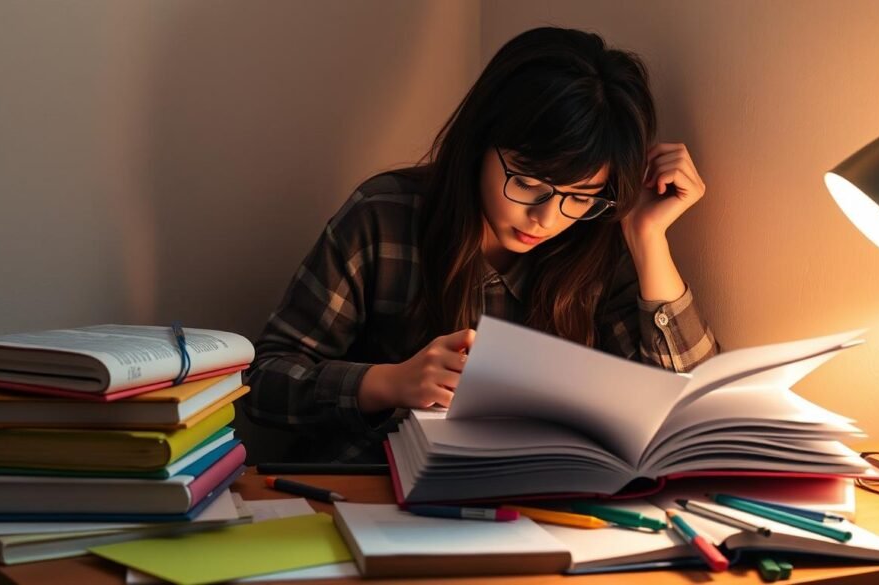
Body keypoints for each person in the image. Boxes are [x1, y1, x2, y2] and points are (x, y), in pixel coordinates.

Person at [243, 26, 719, 463]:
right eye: (529, 183)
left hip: (541, 509)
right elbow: (264, 380)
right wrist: (387, 382)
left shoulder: (597, 238)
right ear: (480, 143)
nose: (547, 218)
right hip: (369, 501)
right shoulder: (384, 215)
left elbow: (696, 412)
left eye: (579, 196)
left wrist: (647, 237)